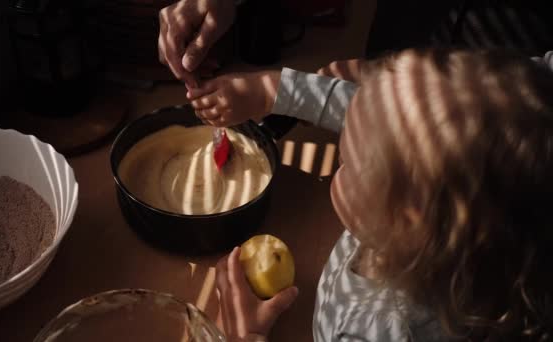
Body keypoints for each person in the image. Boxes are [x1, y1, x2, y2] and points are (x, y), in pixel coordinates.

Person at [187, 48, 553, 341]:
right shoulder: (443, 237)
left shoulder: (377, 329)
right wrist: (276, 91)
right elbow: (379, 120)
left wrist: (244, 337)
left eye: (345, 160)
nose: (337, 163)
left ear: (406, 216)